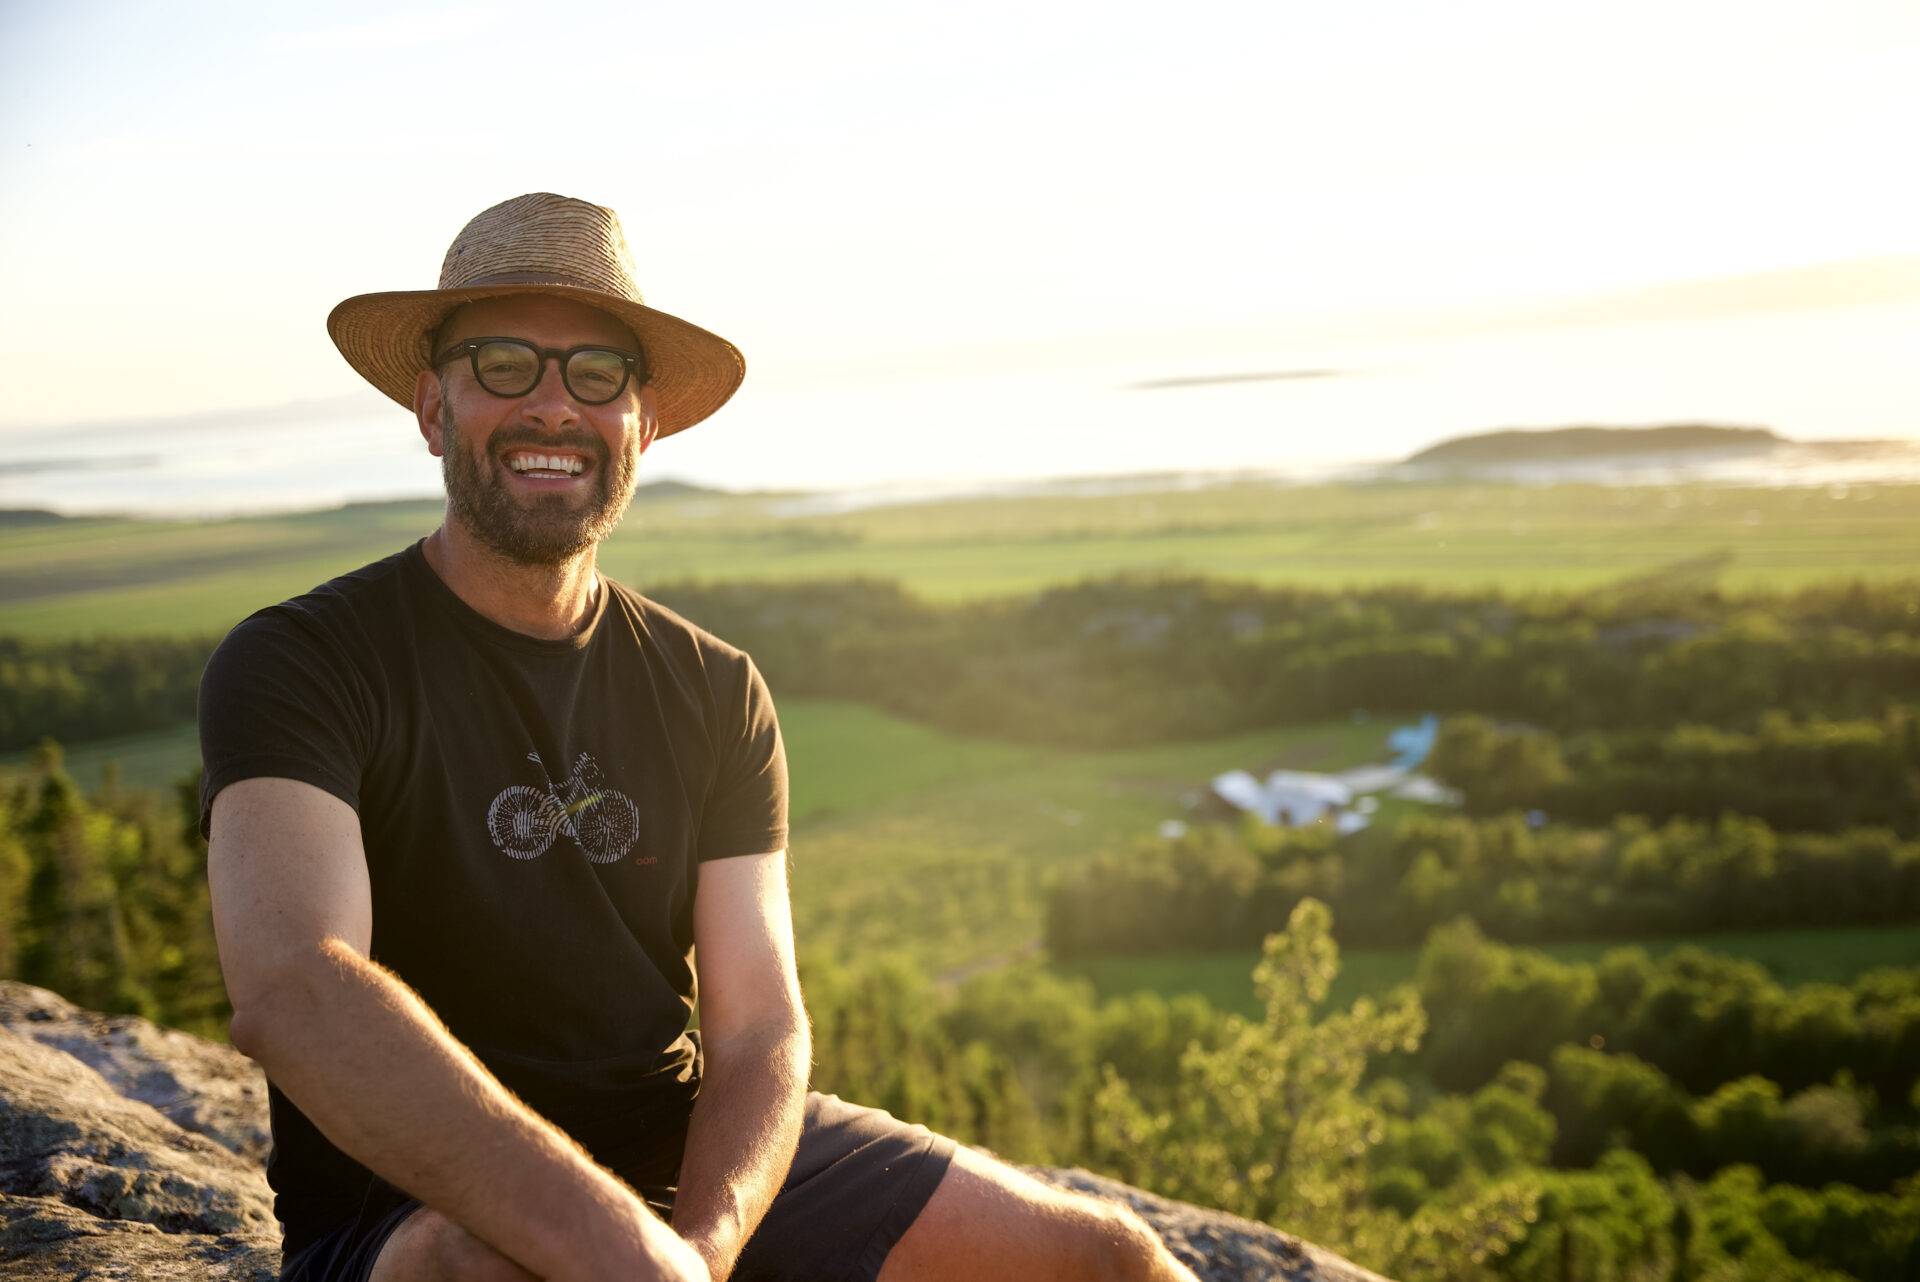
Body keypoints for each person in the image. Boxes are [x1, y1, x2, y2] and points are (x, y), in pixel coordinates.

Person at [199, 193, 1202, 1282]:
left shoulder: (716, 688)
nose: (553, 406)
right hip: (414, 1206)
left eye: (598, 374)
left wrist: (702, 1249)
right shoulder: (302, 661)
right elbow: (295, 986)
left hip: (679, 1162)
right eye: (504, 365)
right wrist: (614, 1246)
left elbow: (759, 1027)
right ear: (433, 408)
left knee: (1111, 1259)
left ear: (645, 424)